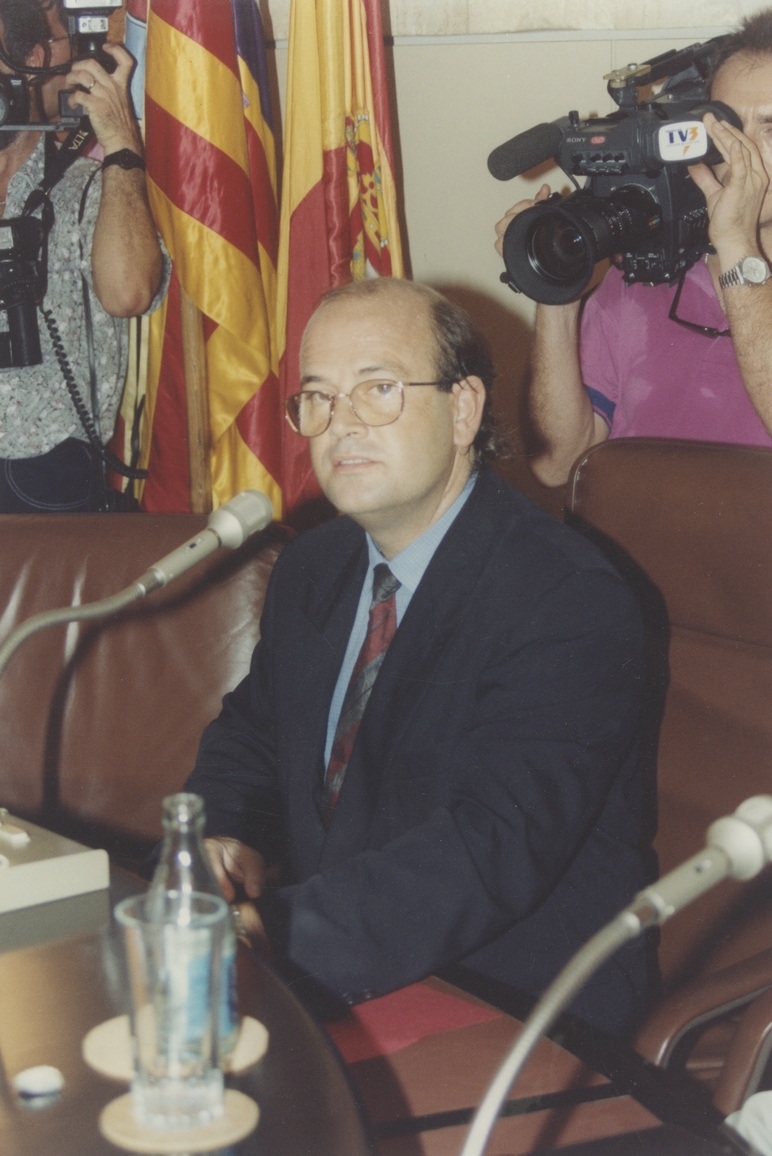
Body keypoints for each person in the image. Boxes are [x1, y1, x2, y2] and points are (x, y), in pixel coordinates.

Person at [185, 277, 654, 1039]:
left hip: (514, 999)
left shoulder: (566, 598)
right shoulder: (315, 567)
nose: (342, 426)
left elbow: (489, 850)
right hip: (340, 968)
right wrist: (220, 833)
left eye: (379, 390)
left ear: (464, 410)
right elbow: (252, 737)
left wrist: (271, 934)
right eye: (319, 398)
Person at [495, 10, 772, 487]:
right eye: (722, 125)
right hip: (634, 554)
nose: (738, 152)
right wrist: (556, 291)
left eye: (770, 128)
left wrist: (736, 245)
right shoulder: (643, 278)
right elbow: (557, 463)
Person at [0, 0, 167, 512]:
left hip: (42, 471)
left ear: (30, 61)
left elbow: (130, 293)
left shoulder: (90, 187)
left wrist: (119, 138)